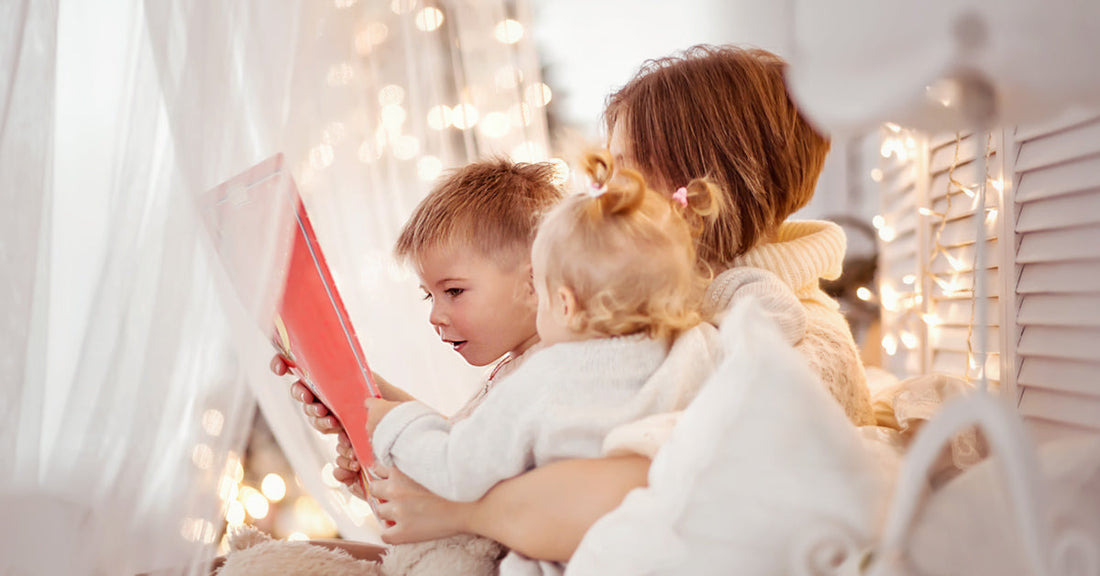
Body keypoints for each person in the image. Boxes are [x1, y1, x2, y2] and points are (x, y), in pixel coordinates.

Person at [286, 44, 872, 563]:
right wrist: (377, 415)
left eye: (619, 172)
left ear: (692, 195)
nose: (597, 196)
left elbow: (632, 501)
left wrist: (453, 510)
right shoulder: (639, 311)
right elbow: (535, 440)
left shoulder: (791, 345)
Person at [359, 149, 729, 574]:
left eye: (454, 291)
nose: (435, 315)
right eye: (429, 295)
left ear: (556, 296)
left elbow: (457, 466)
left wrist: (388, 424)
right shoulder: (695, 342)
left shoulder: (547, 376)